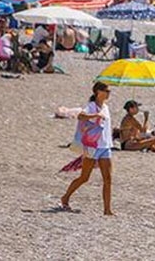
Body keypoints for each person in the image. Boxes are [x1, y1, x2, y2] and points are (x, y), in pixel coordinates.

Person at [60, 82, 114, 215]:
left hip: (105, 146)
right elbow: (81, 116)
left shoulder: (105, 107)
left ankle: (107, 210)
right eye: (107, 91)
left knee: (108, 179)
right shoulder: (91, 106)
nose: (109, 93)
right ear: (98, 92)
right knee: (84, 177)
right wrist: (95, 116)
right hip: (92, 146)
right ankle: (65, 197)